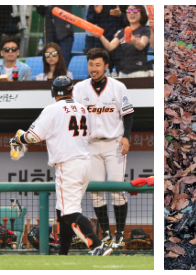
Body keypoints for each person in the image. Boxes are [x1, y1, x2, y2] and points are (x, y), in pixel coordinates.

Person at [8, 76, 113, 256]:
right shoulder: (82, 108)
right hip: (85, 164)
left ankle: (97, 245)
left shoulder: (52, 109)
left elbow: (33, 136)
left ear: (53, 92)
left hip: (68, 165)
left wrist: (19, 138)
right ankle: (62, 254)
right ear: (71, 91)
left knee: (69, 213)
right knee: (63, 213)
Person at [72, 48, 134, 249]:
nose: (94, 68)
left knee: (117, 189)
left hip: (113, 143)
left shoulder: (118, 87)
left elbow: (128, 114)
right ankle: (106, 232)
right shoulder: (80, 88)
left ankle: (120, 234)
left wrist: (126, 137)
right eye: (91, 64)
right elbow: (74, 118)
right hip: (90, 144)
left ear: (106, 66)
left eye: (98, 65)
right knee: (96, 190)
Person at [94, 5, 152, 78]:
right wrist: (100, 36)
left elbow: (141, 46)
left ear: (142, 14)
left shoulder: (145, 30)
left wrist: (133, 40)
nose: (131, 13)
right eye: (129, 11)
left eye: (135, 11)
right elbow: (110, 47)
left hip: (140, 72)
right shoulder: (121, 32)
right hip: (123, 72)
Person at [84, 5, 128, 73]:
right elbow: (89, 21)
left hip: (120, 43)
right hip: (101, 42)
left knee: (122, 73)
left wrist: (120, 15)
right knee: (98, 72)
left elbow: (132, 21)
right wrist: (97, 13)